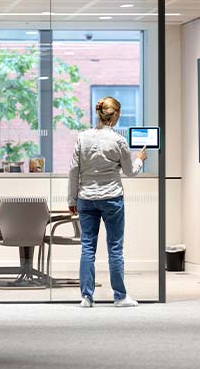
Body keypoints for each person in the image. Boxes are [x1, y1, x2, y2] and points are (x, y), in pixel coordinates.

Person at [68, 96, 147, 308]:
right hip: (112, 199)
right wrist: (140, 159)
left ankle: (86, 297)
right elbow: (130, 172)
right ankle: (120, 296)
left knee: (87, 247)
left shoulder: (82, 138)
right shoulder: (118, 141)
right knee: (114, 248)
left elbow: (74, 171)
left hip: (86, 199)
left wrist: (71, 198)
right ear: (116, 115)